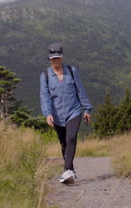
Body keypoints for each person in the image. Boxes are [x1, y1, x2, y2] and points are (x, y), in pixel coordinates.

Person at [40, 42, 93, 184]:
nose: (56, 60)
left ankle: (67, 170)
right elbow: (45, 96)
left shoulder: (72, 71)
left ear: (62, 57)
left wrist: (87, 109)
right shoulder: (45, 76)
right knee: (63, 143)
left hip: (74, 111)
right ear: (49, 59)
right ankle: (71, 170)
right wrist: (47, 113)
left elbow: (80, 90)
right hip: (57, 116)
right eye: (53, 58)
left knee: (71, 138)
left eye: (58, 58)